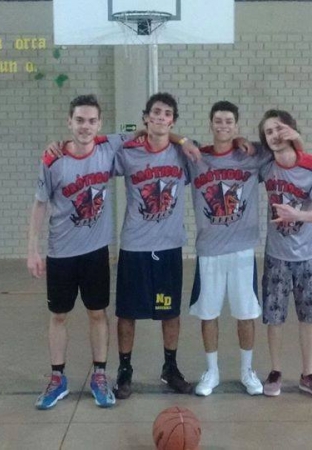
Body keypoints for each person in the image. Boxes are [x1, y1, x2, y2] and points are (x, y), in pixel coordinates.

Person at [27, 94, 120, 410]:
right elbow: (40, 205)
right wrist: (32, 249)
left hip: (95, 252)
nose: (85, 126)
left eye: (91, 121)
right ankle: (57, 379)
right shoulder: (52, 160)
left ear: (100, 124)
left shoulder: (108, 149)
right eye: (79, 120)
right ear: (69, 122)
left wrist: (183, 140)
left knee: (98, 313)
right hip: (61, 253)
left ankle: (99, 375)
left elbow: (150, 133)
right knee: (58, 315)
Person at [113, 92, 196, 399]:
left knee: (169, 311)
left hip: (169, 245)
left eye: (167, 114)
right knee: (127, 312)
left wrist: (181, 139)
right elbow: (98, 148)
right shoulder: (128, 152)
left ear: (173, 121)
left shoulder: (184, 153)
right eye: (156, 112)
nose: (161, 117)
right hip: (135, 245)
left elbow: (211, 151)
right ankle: (125, 369)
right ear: (146, 116)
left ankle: (170, 368)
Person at [187, 101, 272, 396]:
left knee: (246, 313)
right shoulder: (196, 156)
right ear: (210, 124)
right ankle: (212, 372)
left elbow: (278, 144)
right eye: (218, 121)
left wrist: (243, 141)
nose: (223, 126)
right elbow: (163, 137)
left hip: (242, 250)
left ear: (236, 126)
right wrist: (181, 140)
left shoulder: (251, 155)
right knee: (208, 313)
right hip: (209, 250)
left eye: (228, 121)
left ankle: (247, 370)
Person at [257, 109, 312, 400]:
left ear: (291, 130)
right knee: (274, 316)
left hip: (308, 255)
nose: (274, 136)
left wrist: (297, 214)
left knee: (309, 316)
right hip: (277, 254)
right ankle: (275, 371)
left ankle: (308, 374)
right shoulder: (266, 166)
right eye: (268, 132)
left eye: (279, 129)